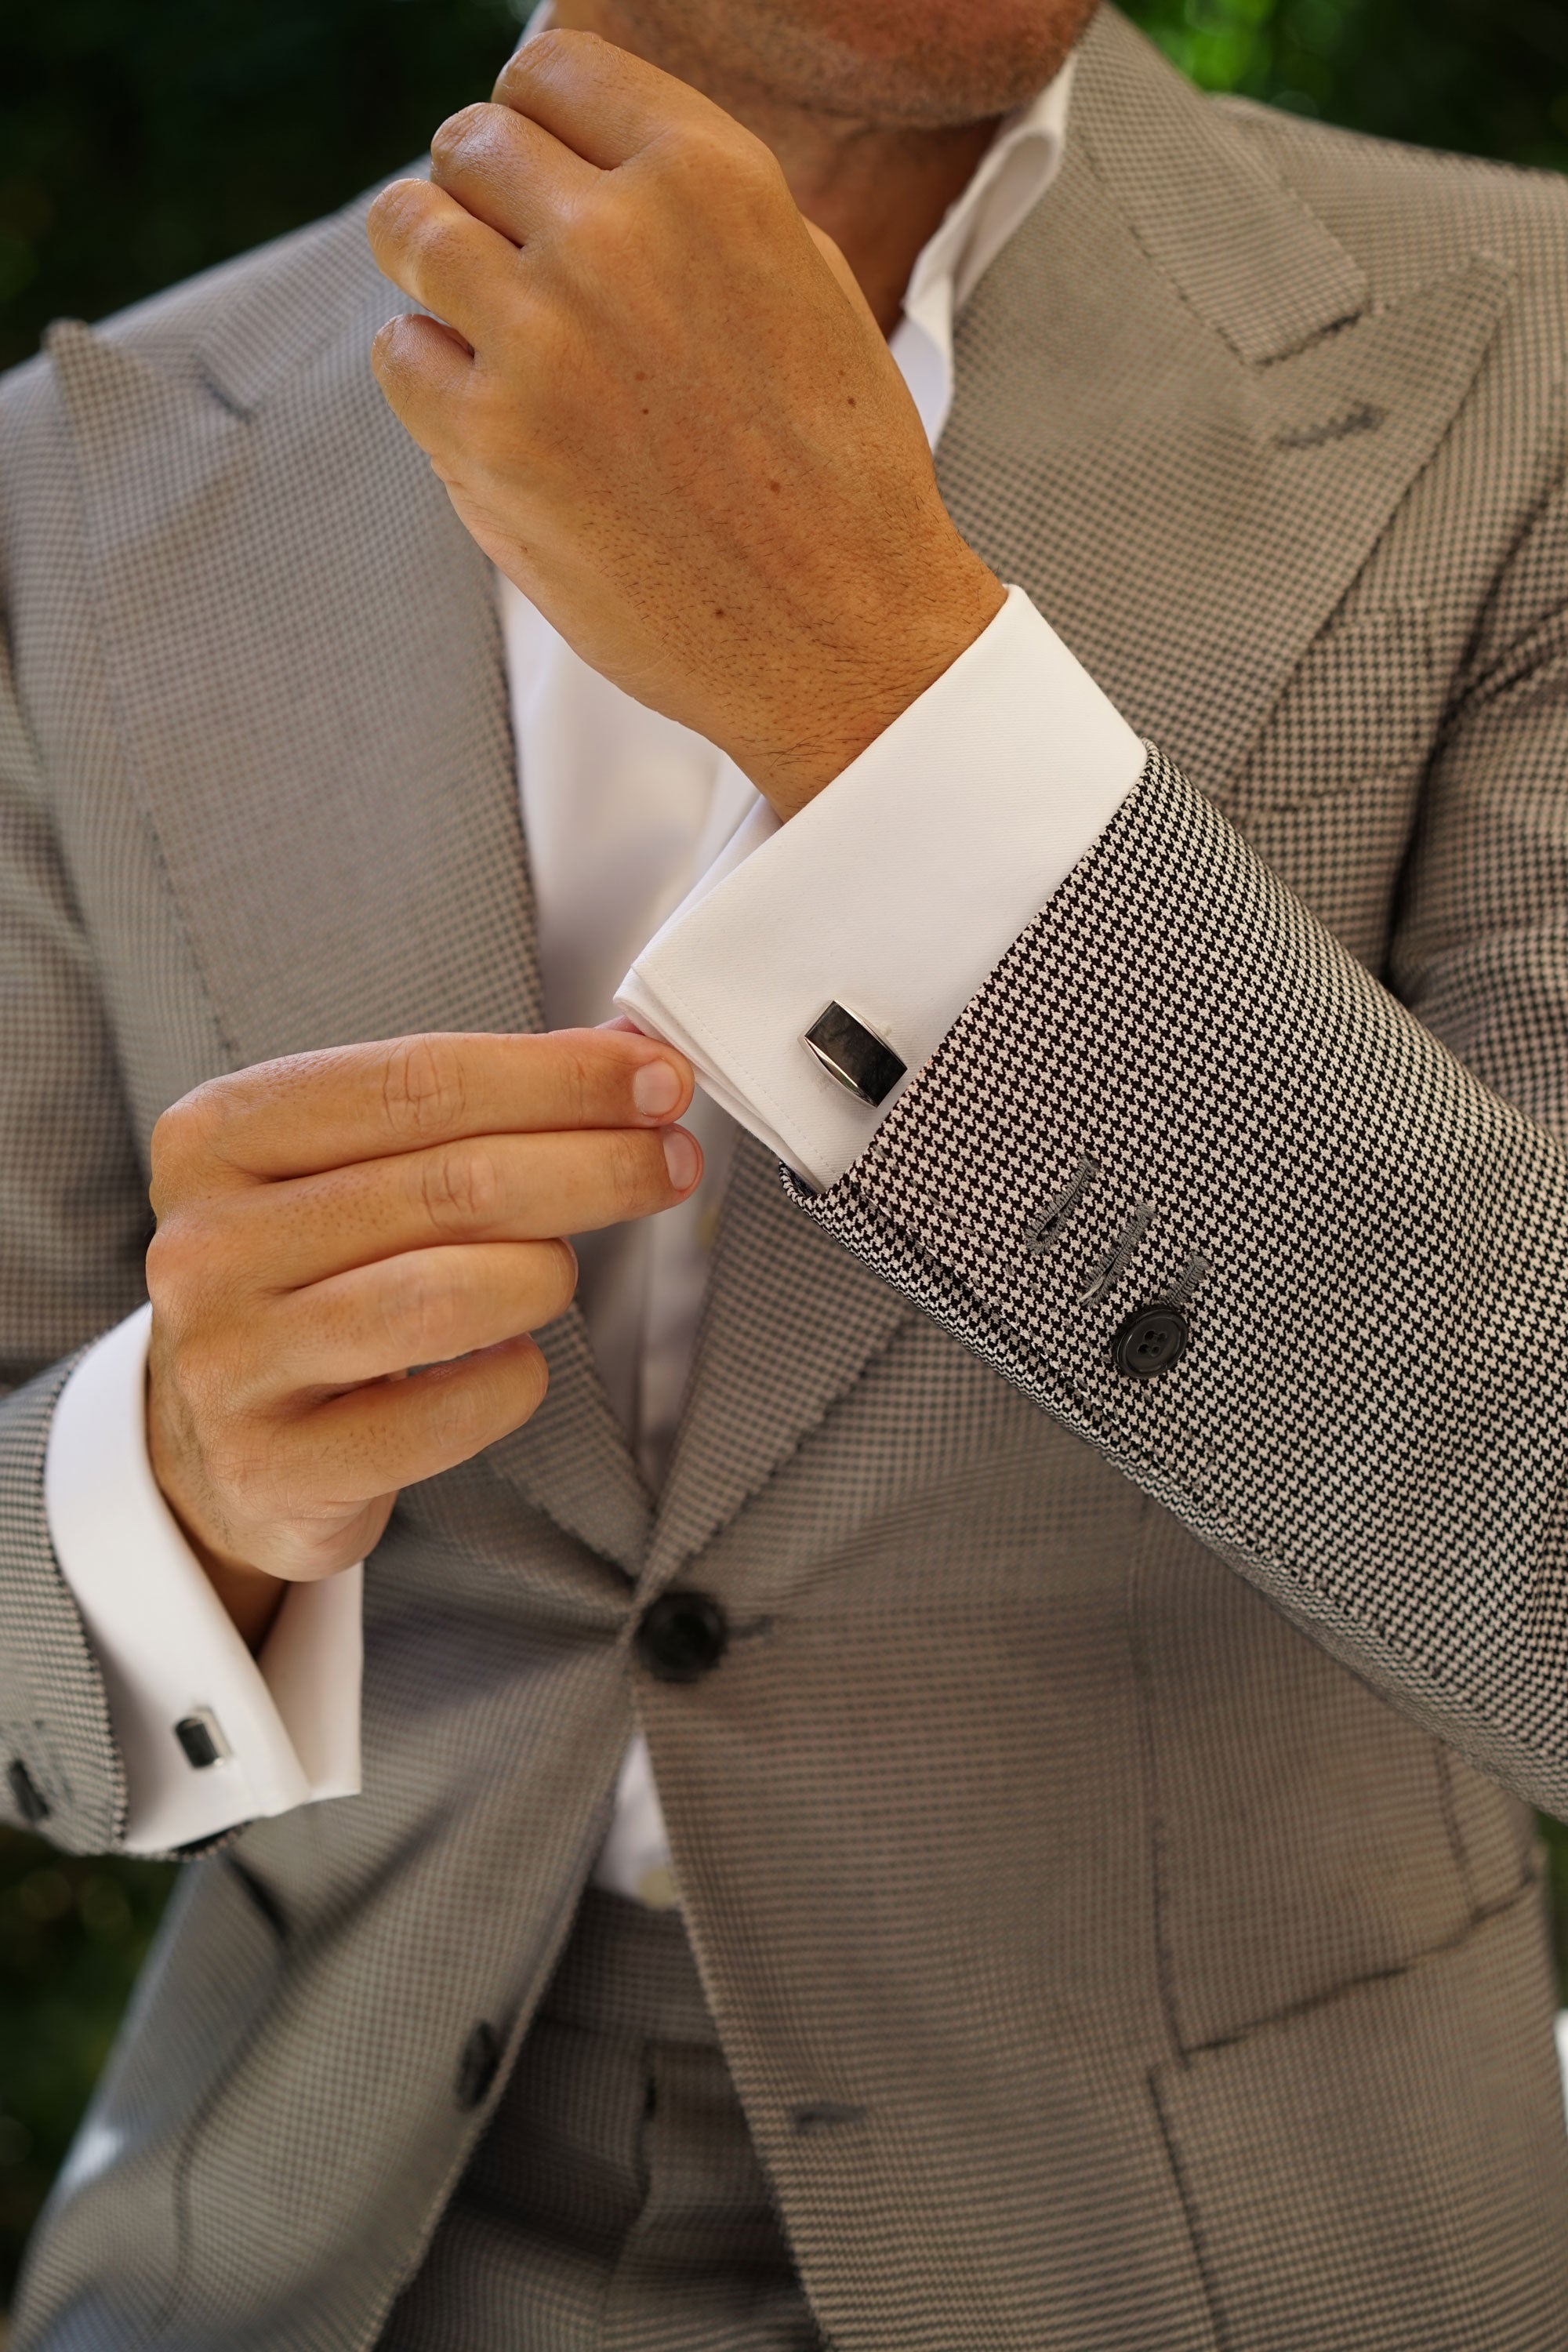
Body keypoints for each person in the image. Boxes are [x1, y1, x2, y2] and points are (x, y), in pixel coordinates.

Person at [3, 0, 1568, 2339]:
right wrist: (179, 1483)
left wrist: (885, 695)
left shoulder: (1525, 362)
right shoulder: (83, 484)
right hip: (332, 2244)